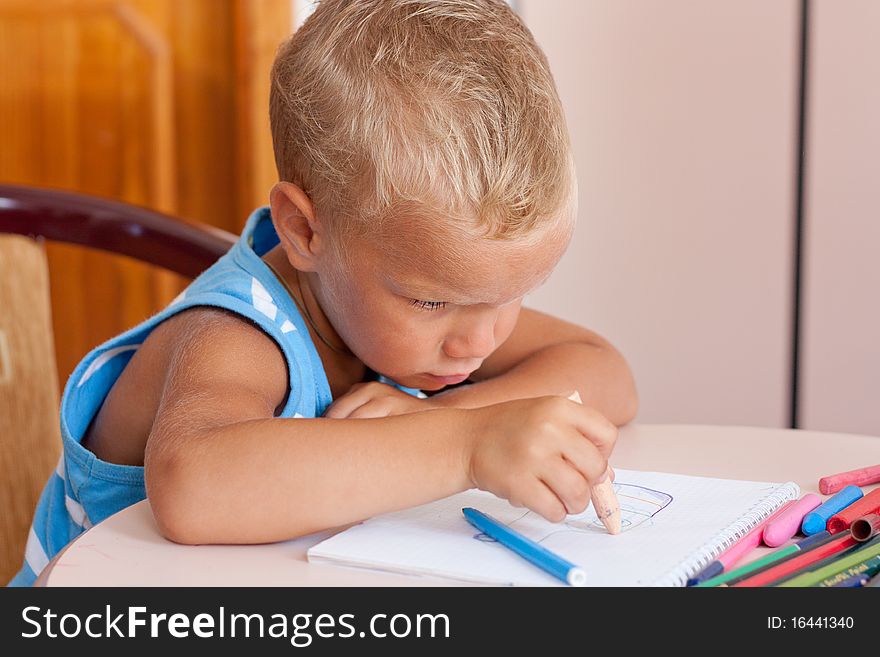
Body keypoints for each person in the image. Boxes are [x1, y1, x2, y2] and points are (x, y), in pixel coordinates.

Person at [9, 0, 637, 587]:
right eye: (430, 302)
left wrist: (451, 419)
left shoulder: (415, 310)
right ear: (305, 232)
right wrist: (470, 445)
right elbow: (192, 487)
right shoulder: (238, 333)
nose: (479, 339)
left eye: (512, 295)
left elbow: (604, 373)